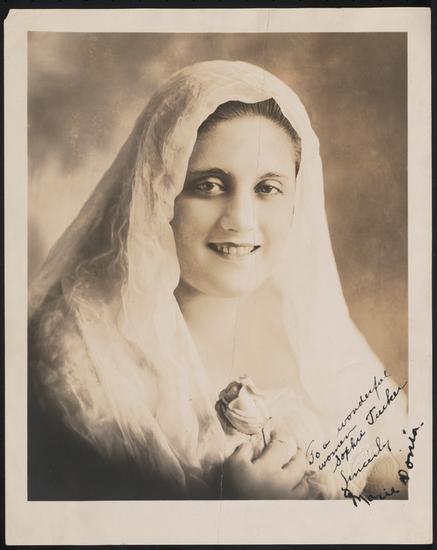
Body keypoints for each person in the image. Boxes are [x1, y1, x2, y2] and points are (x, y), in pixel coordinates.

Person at [28, 60, 407, 500]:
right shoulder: (77, 359)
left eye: (267, 188)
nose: (241, 220)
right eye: (208, 185)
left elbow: (398, 475)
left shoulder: (314, 326)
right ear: (157, 192)